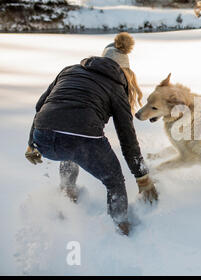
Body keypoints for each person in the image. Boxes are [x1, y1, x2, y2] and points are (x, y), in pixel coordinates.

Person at [24, 32, 158, 236]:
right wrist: (142, 177)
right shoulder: (117, 86)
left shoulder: (69, 71)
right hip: (81, 138)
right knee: (114, 182)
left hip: (43, 135)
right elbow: (127, 137)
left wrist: (31, 143)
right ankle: (121, 229)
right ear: (125, 70)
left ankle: (67, 195)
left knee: (70, 152)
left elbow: (40, 106)